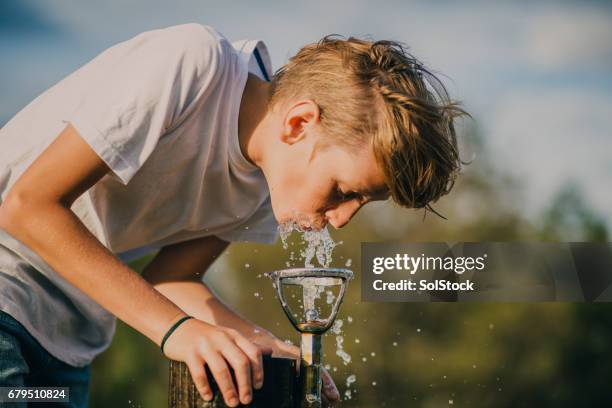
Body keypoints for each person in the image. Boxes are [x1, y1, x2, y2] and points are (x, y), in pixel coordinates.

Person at [0, 23, 468, 407]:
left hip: (66, 346)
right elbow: (26, 206)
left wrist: (257, 341)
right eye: (344, 190)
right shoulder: (191, 66)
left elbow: (170, 278)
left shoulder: (264, 187)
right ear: (299, 123)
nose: (343, 218)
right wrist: (178, 331)